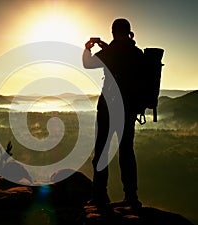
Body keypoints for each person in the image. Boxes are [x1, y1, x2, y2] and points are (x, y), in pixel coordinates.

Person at [82, 18, 144, 210]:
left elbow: (88, 64)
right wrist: (106, 47)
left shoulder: (111, 52)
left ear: (113, 32)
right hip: (129, 109)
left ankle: (100, 196)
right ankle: (131, 197)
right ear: (129, 32)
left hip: (108, 107)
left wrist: (88, 48)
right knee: (127, 152)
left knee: (101, 151)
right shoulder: (137, 53)